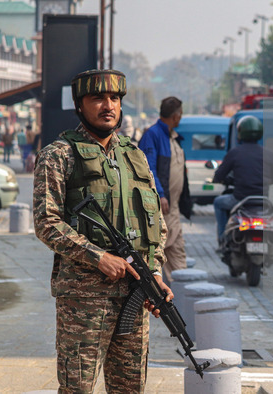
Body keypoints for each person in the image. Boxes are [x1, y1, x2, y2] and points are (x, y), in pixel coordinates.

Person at [33, 69, 172, 393]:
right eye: (97, 98)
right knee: (77, 388)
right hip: (84, 301)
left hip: (134, 297)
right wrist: (98, 257)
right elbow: (46, 222)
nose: (107, 105)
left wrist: (154, 273)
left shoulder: (134, 156)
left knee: (130, 388)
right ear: (80, 105)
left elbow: (156, 225)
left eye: (114, 98)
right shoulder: (59, 155)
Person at [139, 96, 192, 283]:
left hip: (174, 207)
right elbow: (148, 168)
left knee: (177, 250)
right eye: (181, 115)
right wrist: (160, 194)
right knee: (160, 249)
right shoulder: (153, 135)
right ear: (176, 116)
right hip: (162, 207)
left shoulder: (172, 135)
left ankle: (180, 294)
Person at [212, 115, 273, 242]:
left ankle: (222, 237)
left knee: (218, 202)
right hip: (263, 201)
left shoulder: (235, 153)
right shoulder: (269, 154)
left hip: (239, 200)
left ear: (241, 133)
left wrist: (220, 179)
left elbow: (219, 175)